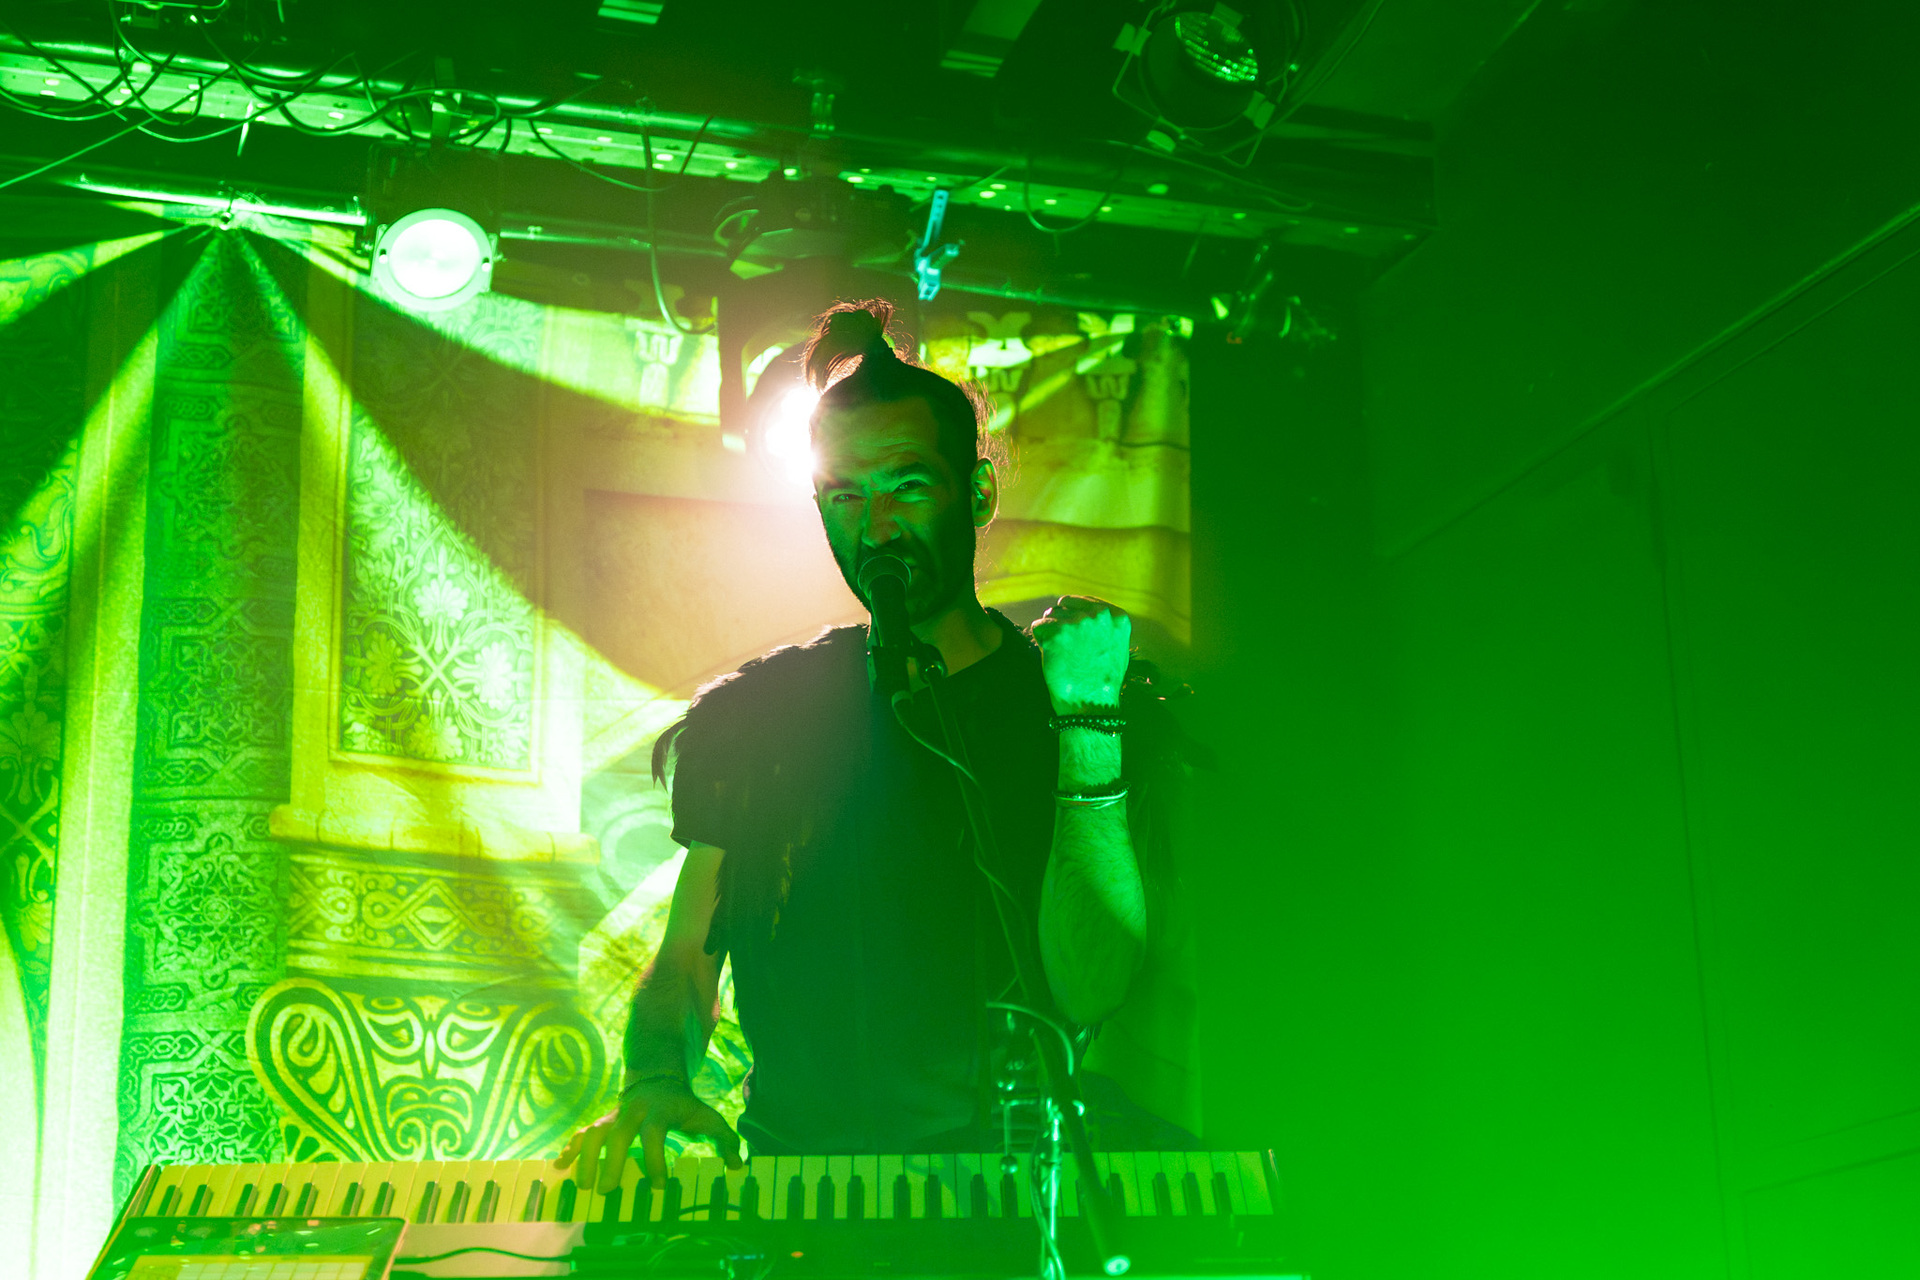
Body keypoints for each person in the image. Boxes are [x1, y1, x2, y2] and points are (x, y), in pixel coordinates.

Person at [559, 300, 1199, 1192]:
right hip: (801, 1185)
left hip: (1008, 1194)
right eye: (846, 497)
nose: (878, 526)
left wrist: (1087, 718)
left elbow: (1090, 987)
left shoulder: (1070, 698)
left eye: (908, 487)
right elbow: (687, 956)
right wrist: (656, 1079)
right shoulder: (759, 715)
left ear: (977, 494)